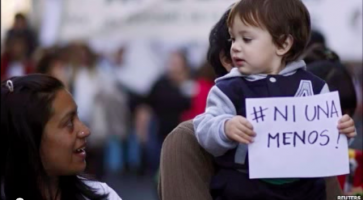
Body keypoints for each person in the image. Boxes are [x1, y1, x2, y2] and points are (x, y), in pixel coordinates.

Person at [159, 2, 356, 200]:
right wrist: (225, 127)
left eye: (246, 39)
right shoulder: (228, 88)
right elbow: (205, 126)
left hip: (304, 191)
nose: (235, 47)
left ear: (283, 44)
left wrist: (342, 132)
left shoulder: (313, 86)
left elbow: (324, 140)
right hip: (245, 189)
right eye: (233, 39)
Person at [1, 74, 122, 200]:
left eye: (77, 117)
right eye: (69, 123)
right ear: (29, 139)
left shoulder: (103, 195)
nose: (85, 131)